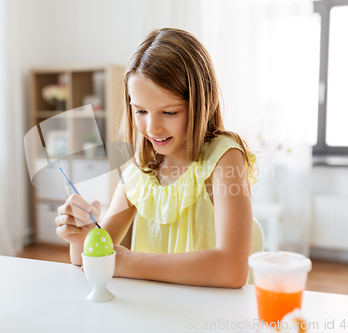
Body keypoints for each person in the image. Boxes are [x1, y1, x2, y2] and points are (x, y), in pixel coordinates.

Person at [55, 28, 257, 288]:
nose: (152, 128)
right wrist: (81, 237)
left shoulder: (224, 159)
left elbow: (232, 270)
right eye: (140, 111)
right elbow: (89, 259)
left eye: (170, 112)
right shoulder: (141, 170)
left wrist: (127, 263)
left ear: (201, 103)